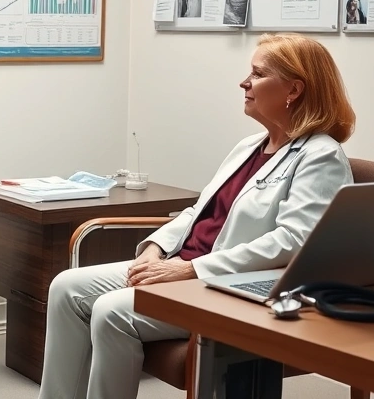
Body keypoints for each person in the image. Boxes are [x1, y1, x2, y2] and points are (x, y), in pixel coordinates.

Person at [37, 33, 356, 399]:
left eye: (257, 73)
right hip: (183, 266)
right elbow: (199, 211)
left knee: (113, 311)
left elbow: (294, 241)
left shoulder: (321, 156)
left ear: (293, 90)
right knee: (65, 286)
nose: (244, 82)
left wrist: (190, 270)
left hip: (226, 284)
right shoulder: (249, 146)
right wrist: (157, 247)